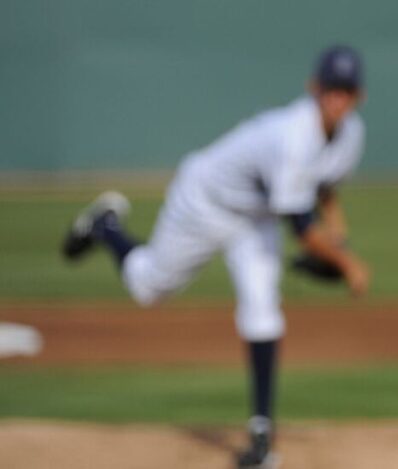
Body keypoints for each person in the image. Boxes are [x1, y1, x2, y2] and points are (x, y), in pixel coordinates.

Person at [62, 45, 370, 469]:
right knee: (148, 287)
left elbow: (324, 187)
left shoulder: (351, 133)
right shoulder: (293, 135)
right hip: (205, 200)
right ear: (314, 88)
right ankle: (106, 228)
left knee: (263, 311)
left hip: (255, 218)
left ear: (358, 96)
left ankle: (261, 438)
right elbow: (299, 225)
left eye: (346, 90)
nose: (338, 98)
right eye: (331, 88)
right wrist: (347, 263)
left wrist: (338, 231)